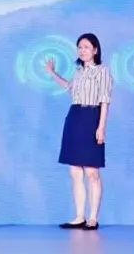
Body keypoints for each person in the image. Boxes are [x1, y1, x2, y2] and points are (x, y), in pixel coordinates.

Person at [45, 33, 113, 230]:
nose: (82, 50)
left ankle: (93, 218)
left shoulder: (103, 71)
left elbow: (105, 101)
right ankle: (79, 216)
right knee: (75, 171)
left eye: (86, 47)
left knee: (92, 172)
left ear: (95, 50)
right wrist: (52, 73)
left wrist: (101, 127)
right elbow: (69, 88)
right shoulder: (78, 71)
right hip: (74, 117)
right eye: (80, 47)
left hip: (92, 117)